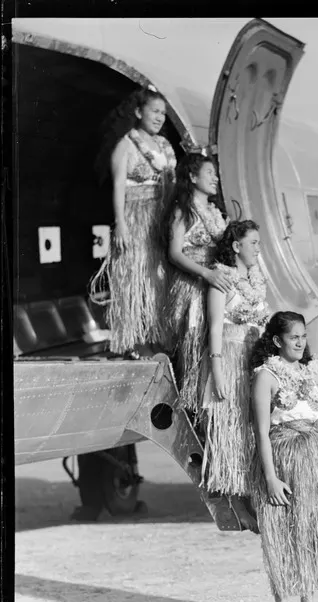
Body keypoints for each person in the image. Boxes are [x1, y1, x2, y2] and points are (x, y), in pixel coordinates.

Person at [250, 311, 318, 602]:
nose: (300, 342)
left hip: (314, 460)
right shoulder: (266, 376)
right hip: (283, 458)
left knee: (311, 530)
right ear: (278, 341)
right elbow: (261, 432)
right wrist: (270, 477)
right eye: (294, 337)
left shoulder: (311, 374)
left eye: (303, 336)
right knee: (282, 534)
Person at [91, 86, 177, 356]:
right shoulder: (126, 144)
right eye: (154, 111)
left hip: (161, 222)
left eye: (163, 113)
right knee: (136, 280)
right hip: (135, 219)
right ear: (139, 112)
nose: (160, 117)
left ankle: (159, 337)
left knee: (159, 282)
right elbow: (118, 187)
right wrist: (122, 224)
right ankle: (133, 342)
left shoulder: (165, 145)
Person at [199, 220, 270, 531]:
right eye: (253, 242)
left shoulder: (257, 279)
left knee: (252, 428)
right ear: (237, 246)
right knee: (231, 430)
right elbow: (214, 325)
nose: (258, 248)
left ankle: (252, 497)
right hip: (229, 357)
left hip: (253, 359)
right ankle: (237, 504)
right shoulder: (221, 279)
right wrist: (216, 369)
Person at [165, 154, 233, 415]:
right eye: (209, 173)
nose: (215, 178)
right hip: (194, 287)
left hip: (217, 286)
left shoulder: (215, 211)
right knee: (196, 347)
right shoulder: (183, 210)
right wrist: (206, 274)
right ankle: (195, 412)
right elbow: (175, 253)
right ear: (192, 177)